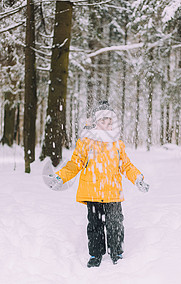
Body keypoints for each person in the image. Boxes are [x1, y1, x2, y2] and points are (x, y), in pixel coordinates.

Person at [49, 101, 149, 268]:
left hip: (112, 192)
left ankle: (116, 252)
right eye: (103, 121)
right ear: (95, 122)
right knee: (94, 225)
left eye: (110, 122)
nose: (107, 125)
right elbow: (74, 164)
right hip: (92, 192)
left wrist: (138, 178)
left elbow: (126, 165)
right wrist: (60, 177)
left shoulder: (117, 144)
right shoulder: (86, 143)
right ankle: (95, 255)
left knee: (115, 224)